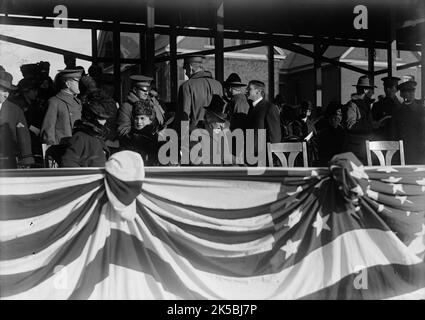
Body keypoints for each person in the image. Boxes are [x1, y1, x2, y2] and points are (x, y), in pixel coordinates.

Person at [41, 69, 83, 164]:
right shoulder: (54, 102)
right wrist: (50, 150)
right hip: (59, 149)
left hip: (76, 148)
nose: (79, 84)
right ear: (68, 84)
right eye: (77, 81)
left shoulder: (78, 102)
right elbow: (48, 128)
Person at [342, 75, 383, 165]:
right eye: (371, 90)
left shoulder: (366, 104)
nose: (373, 93)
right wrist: (371, 125)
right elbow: (350, 125)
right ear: (365, 90)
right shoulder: (352, 105)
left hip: (365, 147)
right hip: (356, 149)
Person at [177, 55, 223, 131]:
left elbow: (184, 115)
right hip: (215, 131)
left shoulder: (187, 86)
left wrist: (183, 138)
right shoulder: (218, 85)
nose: (185, 73)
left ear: (190, 67)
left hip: (195, 132)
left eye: (185, 69)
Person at [61, 98, 110, 167]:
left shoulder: (97, 136)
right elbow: (68, 162)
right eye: (101, 118)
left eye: (105, 119)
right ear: (91, 118)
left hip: (98, 175)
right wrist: (84, 176)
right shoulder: (80, 137)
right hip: (89, 176)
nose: (104, 122)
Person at [0, 71, 34, 168]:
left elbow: (23, 136)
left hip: (7, 161)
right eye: (3, 90)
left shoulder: (15, 110)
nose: (6, 95)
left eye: (8, 91)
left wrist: (26, 159)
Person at [8, 77, 45, 166]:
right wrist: (36, 130)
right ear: (25, 91)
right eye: (34, 91)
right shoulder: (18, 107)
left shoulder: (33, 104)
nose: (36, 93)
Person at [390, 80, 425, 164]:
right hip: (401, 151)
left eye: (412, 91)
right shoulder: (397, 111)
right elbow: (393, 133)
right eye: (407, 91)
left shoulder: (421, 110)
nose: (411, 93)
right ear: (401, 94)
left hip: (419, 152)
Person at [246, 80, 281, 155]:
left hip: (264, 156)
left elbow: (275, 135)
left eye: (249, 89)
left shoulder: (270, 108)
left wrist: (272, 157)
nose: (246, 91)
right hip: (251, 155)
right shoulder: (251, 108)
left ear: (258, 91)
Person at [119, 99, 159, 166]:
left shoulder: (157, 137)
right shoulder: (128, 138)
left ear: (150, 120)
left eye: (142, 118)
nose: (139, 122)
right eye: (136, 118)